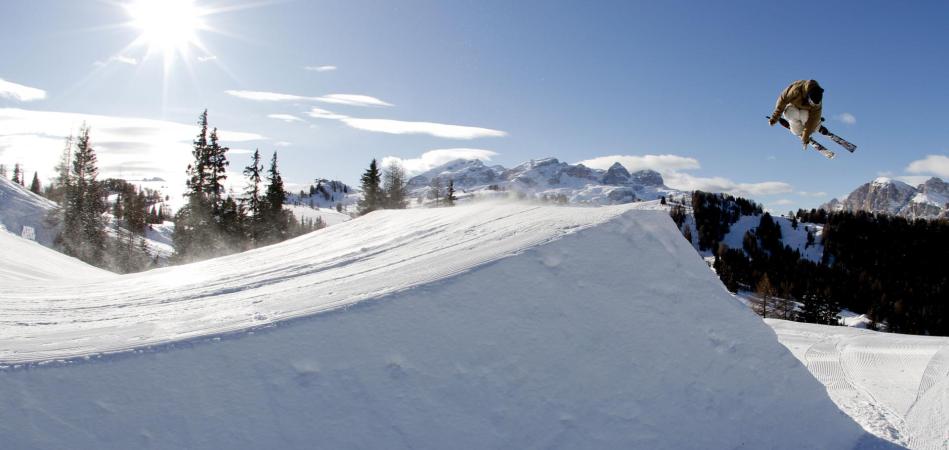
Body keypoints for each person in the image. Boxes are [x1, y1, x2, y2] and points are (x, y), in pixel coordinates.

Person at [768, 79, 828, 149]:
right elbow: (782, 101)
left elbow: (813, 119)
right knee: (795, 128)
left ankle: (816, 127)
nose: (813, 105)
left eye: (815, 104)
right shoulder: (795, 90)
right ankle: (799, 130)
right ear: (808, 97)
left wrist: (806, 136)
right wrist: (775, 118)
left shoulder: (817, 103)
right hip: (792, 109)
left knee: (805, 116)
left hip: (805, 113)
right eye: (812, 103)